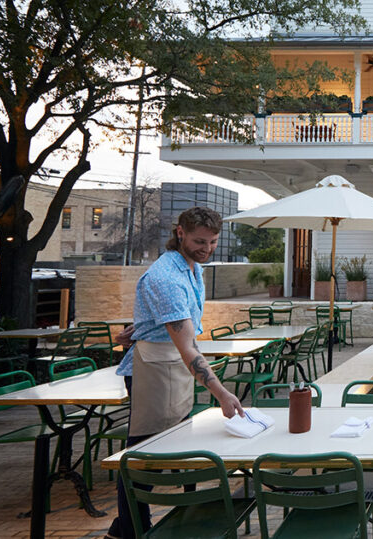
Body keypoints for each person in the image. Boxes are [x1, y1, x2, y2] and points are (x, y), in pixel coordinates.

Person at [106, 206, 244, 539]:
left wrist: (138, 328)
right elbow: (187, 349)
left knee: (167, 451)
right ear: (179, 232)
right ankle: (134, 530)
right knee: (142, 460)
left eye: (212, 242)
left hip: (171, 366)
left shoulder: (190, 266)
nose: (207, 249)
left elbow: (171, 328)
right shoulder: (166, 278)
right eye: (200, 241)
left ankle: (125, 527)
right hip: (155, 370)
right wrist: (222, 394)